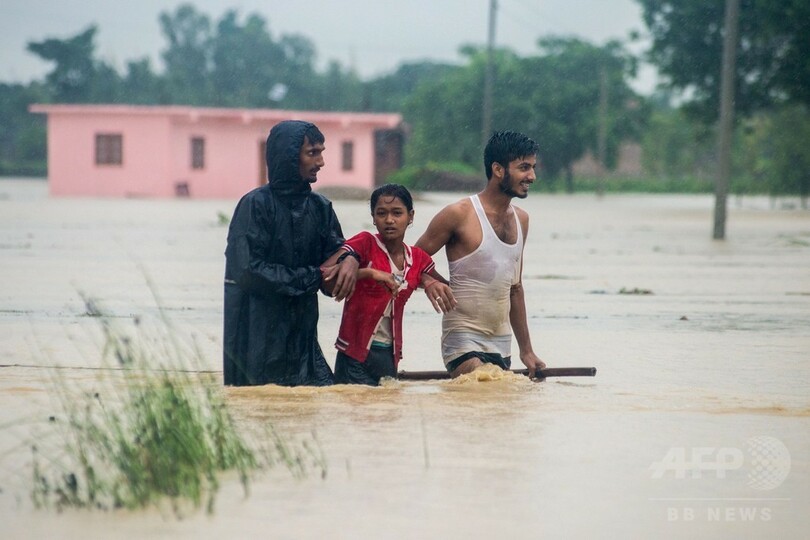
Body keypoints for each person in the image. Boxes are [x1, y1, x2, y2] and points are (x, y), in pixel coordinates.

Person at [223, 120, 358, 387]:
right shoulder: (254, 205)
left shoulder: (320, 208)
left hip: (304, 344)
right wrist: (314, 277)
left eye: (322, 152)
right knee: (262, 408)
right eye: (312, 153)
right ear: (287, 156)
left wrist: (352, 257)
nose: (321, 162)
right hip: (256, 343)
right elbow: (248, 271)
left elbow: (336, 260)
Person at [415, 130, 547, 378]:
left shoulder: (522, 220)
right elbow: (410, 259)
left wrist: (527, 351)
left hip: (501, 342)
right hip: (462, 338)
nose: (532, 176)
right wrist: (429, 280)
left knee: (495, 409)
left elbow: (515, 288)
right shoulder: (459, 214)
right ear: (498, 170)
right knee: (481, 384)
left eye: (532, 167)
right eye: (524, 168)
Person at [320, 184, 456, 385]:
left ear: (411, 216)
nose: (389, 220)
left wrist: (430, 282)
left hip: (389, 357)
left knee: (388, 413)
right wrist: (369, 273)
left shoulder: (417, 258)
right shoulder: (364, 243)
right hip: (353, 356)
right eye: (381, 213)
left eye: (397, 213)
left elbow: (444, 285)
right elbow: (324, 276)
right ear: (373, 218)